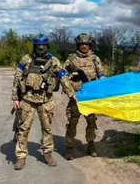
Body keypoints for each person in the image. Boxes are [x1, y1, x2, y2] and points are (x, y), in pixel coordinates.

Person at [11, 34, 75, 170]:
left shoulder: (53, 61)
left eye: (43, 45)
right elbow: (17, 78)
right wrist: (15, 98)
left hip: (45, 100)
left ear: (47, 46)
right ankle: (21, 157)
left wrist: (72, 94)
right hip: (28, 99)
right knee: (23, 129)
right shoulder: (26, 60)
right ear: (34, 46)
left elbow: (63, 78)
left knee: (47, 129)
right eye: (38, 45)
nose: (40, 48)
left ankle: (48, 154)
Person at [63, 33, 106, 160]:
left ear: (90, 45)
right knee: (72, 122)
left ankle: (91, 145)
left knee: (91, 122)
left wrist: (104, 87)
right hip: (76, 97)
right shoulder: (71, 59)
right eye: (81, 44)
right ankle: (69, 148)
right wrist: (70, 91)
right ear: (78, 45)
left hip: (90, 97)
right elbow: (63, 77)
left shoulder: (95, 59)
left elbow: (101, 75)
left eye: (86, 44)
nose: (84, 46)